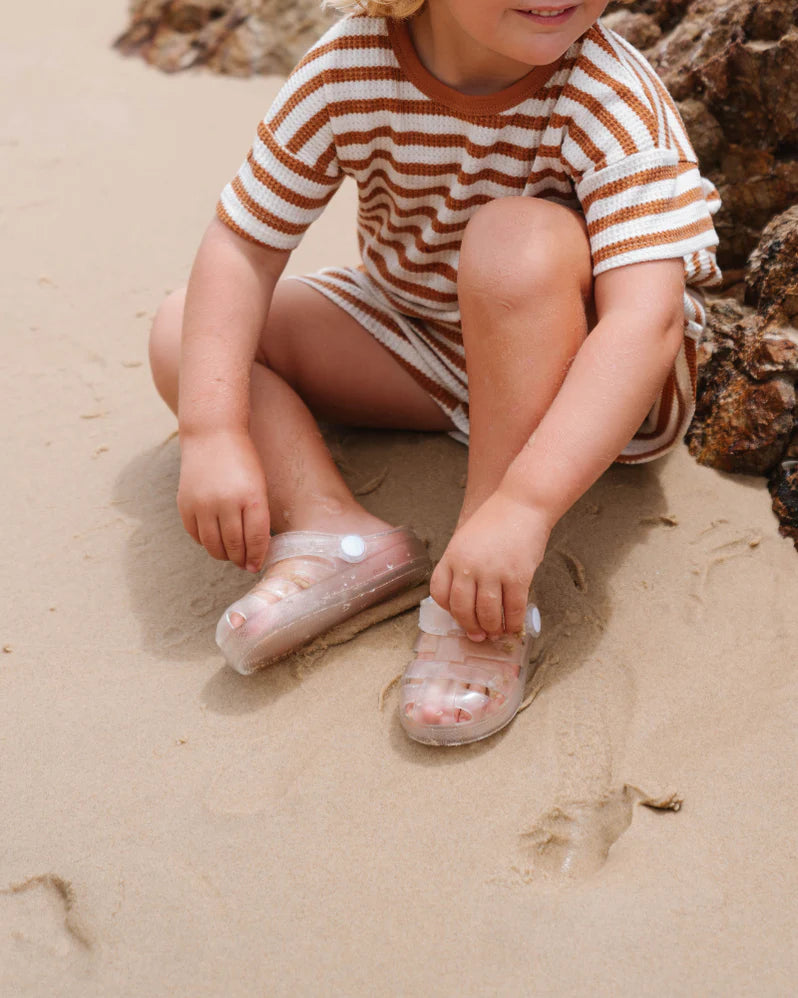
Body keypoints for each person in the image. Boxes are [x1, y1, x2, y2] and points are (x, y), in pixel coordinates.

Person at [148, 0, 721, 746]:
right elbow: (243, 247)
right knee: (185, 330)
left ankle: (481, 591)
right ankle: (332, 532)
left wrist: (521, 507)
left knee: (515, 237)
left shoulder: (608, 94)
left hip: (593, 380)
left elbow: (646, 326)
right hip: (421, 335)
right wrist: (214, 431)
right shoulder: (350, 66)